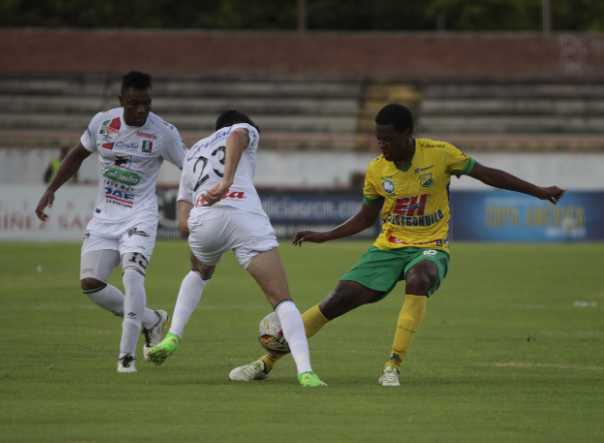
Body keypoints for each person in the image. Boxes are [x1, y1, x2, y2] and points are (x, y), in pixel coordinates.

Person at [228, 103, 565, 387]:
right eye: (378, 138)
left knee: (420, 277)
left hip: (430, 245)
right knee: (337, 300)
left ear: (407, 135)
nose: (381, 144)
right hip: (388, 247)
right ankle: (266, 362)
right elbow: (364, 218)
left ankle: (392, 365)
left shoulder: (441, 154)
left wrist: (538, 191)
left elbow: (490, 174)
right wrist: (325, 234)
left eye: (387, 138)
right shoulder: (377, 170)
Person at [146, 110, 326, 388]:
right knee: (281, 299)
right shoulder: (243, 128)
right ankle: (306, 372)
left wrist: (195, 229)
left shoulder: (193, 152)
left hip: (204, 221)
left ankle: (172, 337)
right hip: (243, 214)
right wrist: (227, 181)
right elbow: (237, 136)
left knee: (199, 271)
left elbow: (183, 216)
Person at [35, 71, 187, 373]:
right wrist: (51, 189)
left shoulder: (164, 133)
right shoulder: (102, 123)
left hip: (140, 215)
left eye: (146, 103)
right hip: (104, 218)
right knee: (91, 284)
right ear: (121, 101)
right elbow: (77, 155)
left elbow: (190, 167)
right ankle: (152, 320)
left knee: (132, 277)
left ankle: (126, 358)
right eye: (134, 103)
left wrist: (199, 201)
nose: (141, 110)